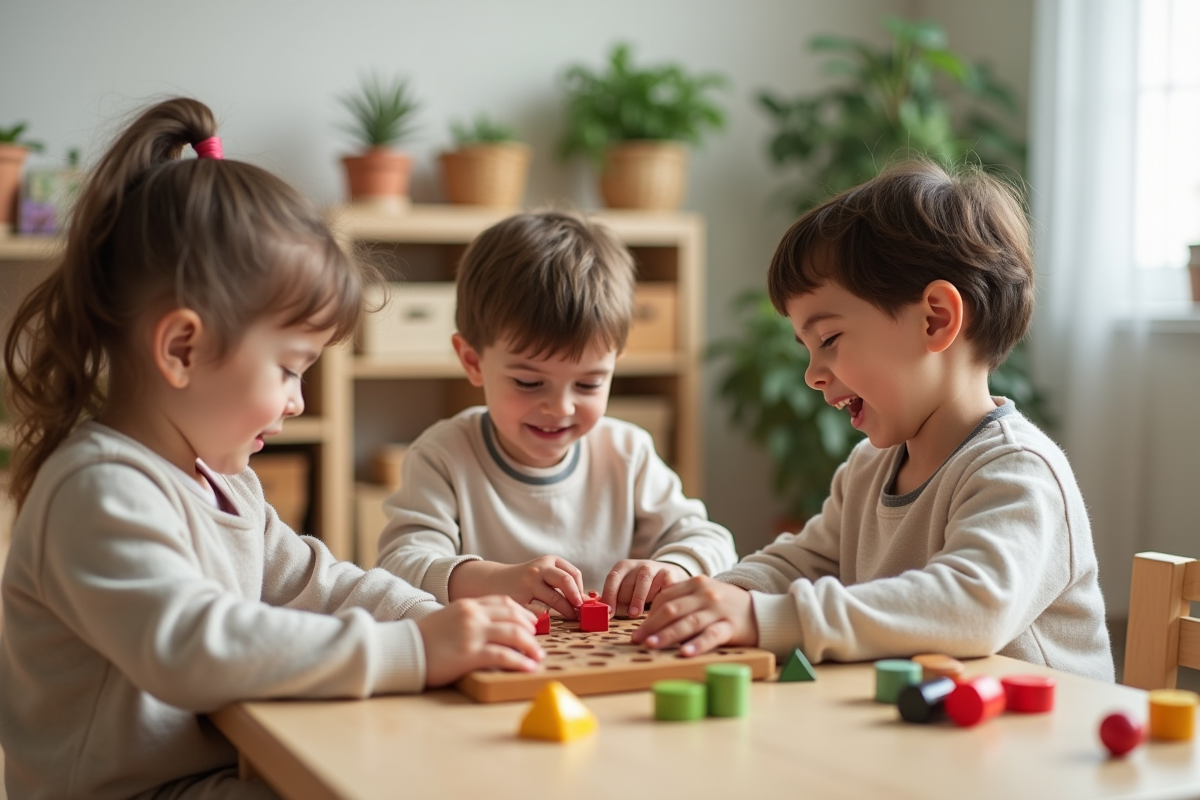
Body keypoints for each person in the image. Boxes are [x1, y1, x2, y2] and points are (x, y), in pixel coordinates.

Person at [0, 98, 543, 800]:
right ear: (182, 348)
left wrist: (433, 619)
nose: (298, 401)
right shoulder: (98, 490)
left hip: (212, 771)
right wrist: (415, 651)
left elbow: (319, 584)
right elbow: (192, 647)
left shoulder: (222, 484)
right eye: (289, 368)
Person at [632, 160, 1114, 682]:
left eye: (829, 340)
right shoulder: (870, 468)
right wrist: (722, 594)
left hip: (1039, 752)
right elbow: (803, 562)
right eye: (807, 349)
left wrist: (763, 618)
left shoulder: (1018, 472)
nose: (813, 375)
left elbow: (970, 607)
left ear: (936, 319)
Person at [375, 211, 737, 621]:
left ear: (615, 364)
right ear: (473, 361)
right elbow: (400, 564)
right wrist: (496, 581)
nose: (560, 408)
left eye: (588, 385)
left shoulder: (627, 452)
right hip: (491, 660)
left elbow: (711, 540)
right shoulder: (443, 454)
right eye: (529, 383)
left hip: (603, 665)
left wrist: (673, 568)